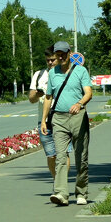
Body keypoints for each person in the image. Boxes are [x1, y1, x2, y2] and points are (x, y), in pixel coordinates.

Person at [41, 41, 94, 206]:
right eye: (58, 54)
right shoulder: (53, 73)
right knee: (60, 157)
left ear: (70, 53)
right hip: (58, 119)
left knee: (81, 156)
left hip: (78, 117)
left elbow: (89, 93)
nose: (61, 56)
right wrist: (44, 120)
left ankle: (81, 192)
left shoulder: (80, 71)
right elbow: (48, 97)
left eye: (64, 53)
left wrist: (79, 104)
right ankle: (61, 193)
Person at [29, 48, 66, 179]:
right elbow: (31, 99)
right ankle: (57, 181)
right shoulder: (39, 74)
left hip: (62, 118)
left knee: (63, 153)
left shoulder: (64, 73)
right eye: (48, 60)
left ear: (59, 58)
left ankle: (63, 184)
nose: (50, 63)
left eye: (53, 60)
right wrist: (37, 94)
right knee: (51, 155)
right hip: (44, 120)